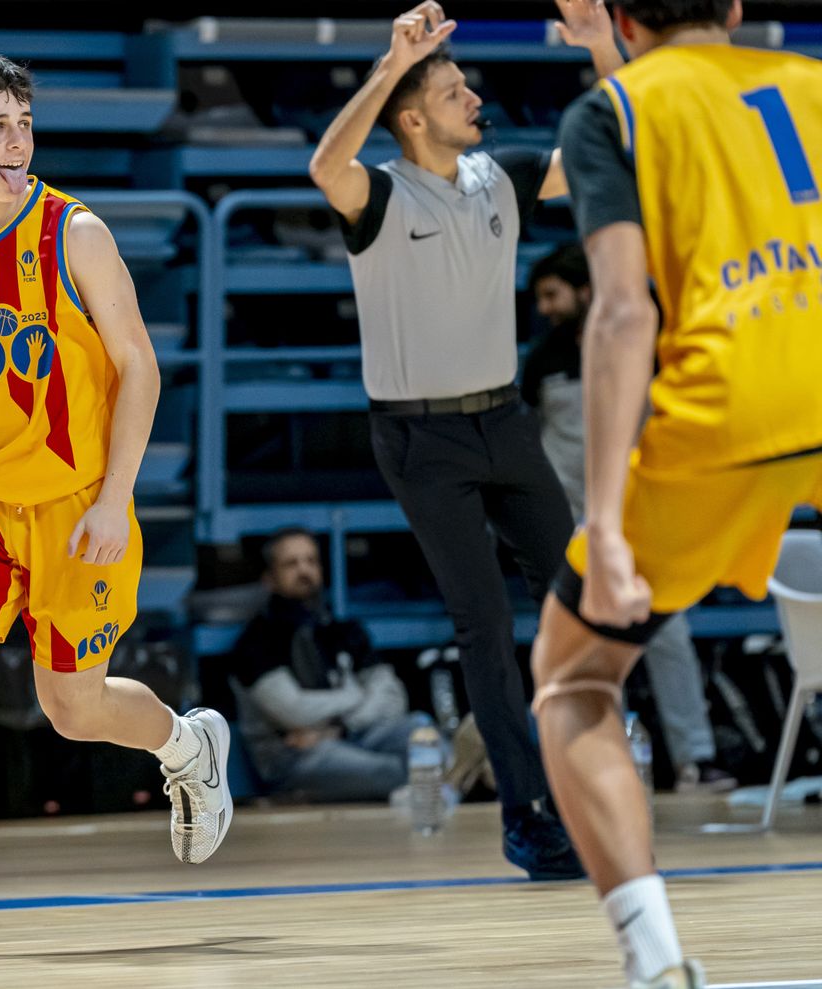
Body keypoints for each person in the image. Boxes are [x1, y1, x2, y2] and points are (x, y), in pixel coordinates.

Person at [0, 50, 232, 961]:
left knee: (71, 705)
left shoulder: (77, 235)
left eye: (24, 122)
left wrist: (116, 498)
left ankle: (185, 747)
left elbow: (140, 365)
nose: (16, 141)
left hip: (76, 504)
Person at [532, 0, 822, 984]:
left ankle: (656, 963)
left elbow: (621, 311)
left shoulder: (611, 111)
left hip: (731, 405)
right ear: (738, 9)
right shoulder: (813, 84)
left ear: (616, 14)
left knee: (573, 679)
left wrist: (603, 521)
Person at [307, 0, 622, 880]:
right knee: (484, 626)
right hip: (419, 439)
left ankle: (578, 781)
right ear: (412, 119)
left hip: (504, 421)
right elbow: (323, 161)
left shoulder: (504, 176)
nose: (472, 97)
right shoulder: (375, 193)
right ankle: (526, 816)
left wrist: (600, 46)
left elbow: (624, 144)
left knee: (577, 600)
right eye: (452, 90)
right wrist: (392, 60)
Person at [523, 245, 735, 795]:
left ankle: (695, 758)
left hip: (637, 518)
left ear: (585, 290)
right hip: (565, 525)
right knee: (560, 652)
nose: (545, 307)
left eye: (553, 294)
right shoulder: (542, 359)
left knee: (669, 636)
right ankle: (569, 771)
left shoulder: (644, 346)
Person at [229, 529, 413, 802]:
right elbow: (296, 713)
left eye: (311, 561)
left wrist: (340, 728)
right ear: (269, 578)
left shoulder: (342, 630)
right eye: (291, 564)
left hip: (352, 734)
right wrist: (355, 696)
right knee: (395, 771)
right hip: (293, 756)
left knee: (421, 732)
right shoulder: (256, 642)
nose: (304, 571)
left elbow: (394, 698)